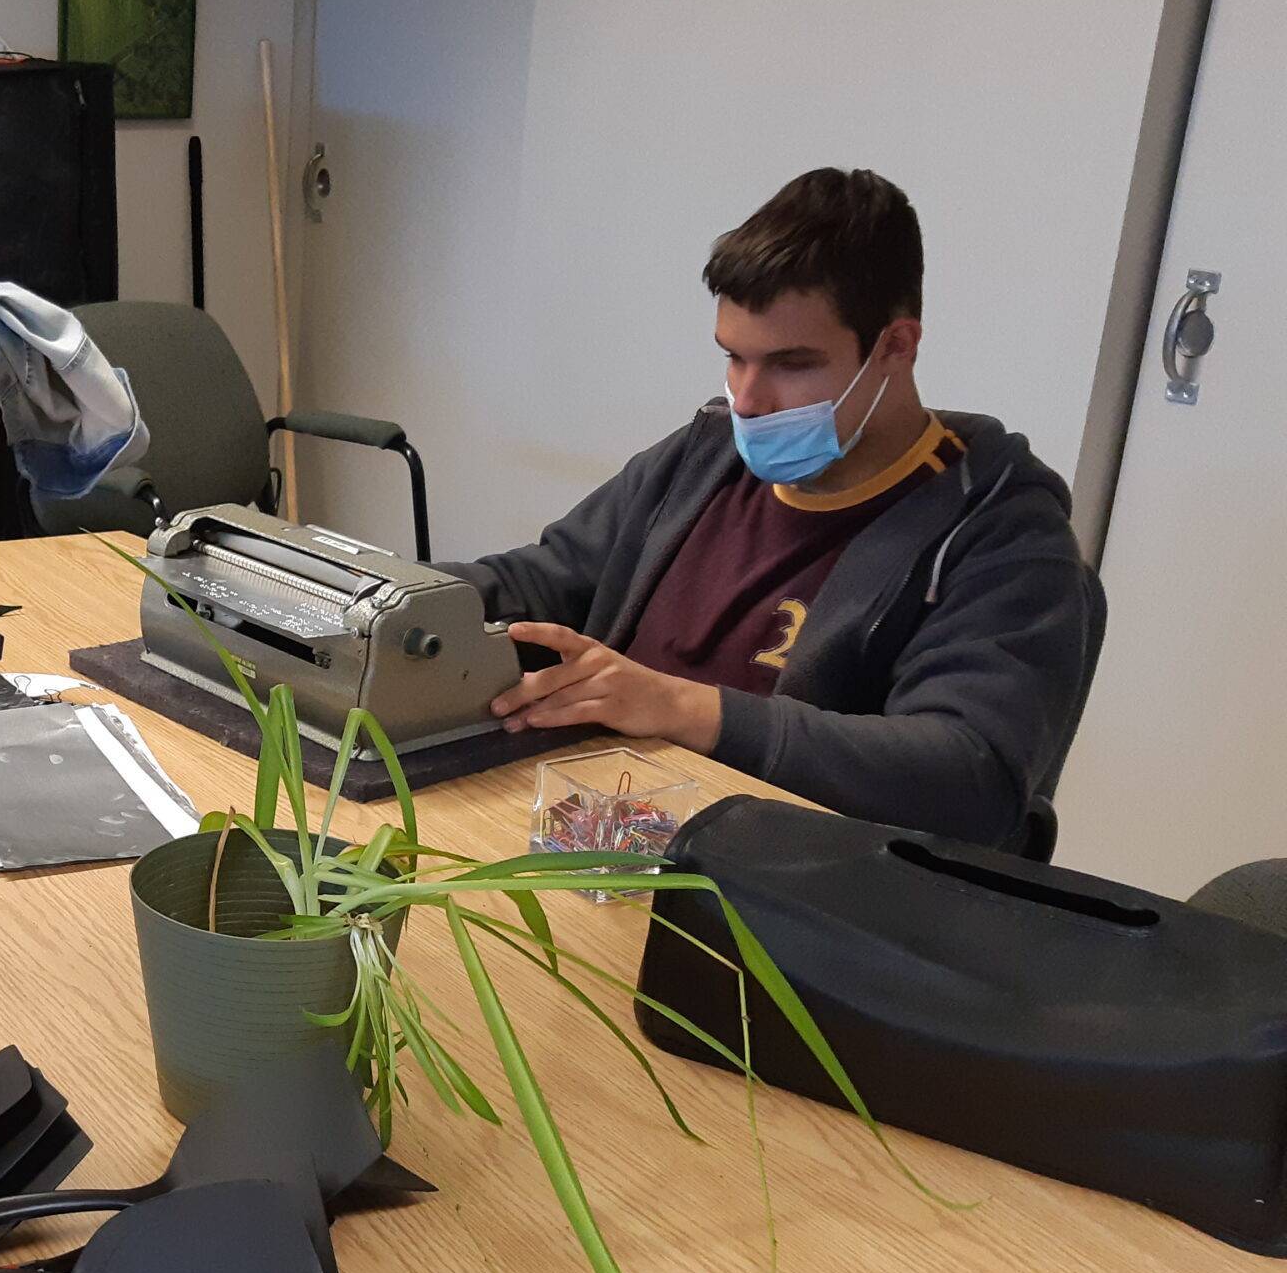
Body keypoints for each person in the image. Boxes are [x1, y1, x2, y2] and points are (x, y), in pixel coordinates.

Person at [444, 168, 1104, 850]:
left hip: (793, 880)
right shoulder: (704, 458)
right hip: (605, 831)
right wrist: (401, 600)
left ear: (896, 346)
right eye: (735, 357)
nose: (750, 400)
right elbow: (543, 580)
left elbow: (969, 778)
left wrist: (680, 707)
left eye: (792, 364)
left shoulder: (1000, 530)